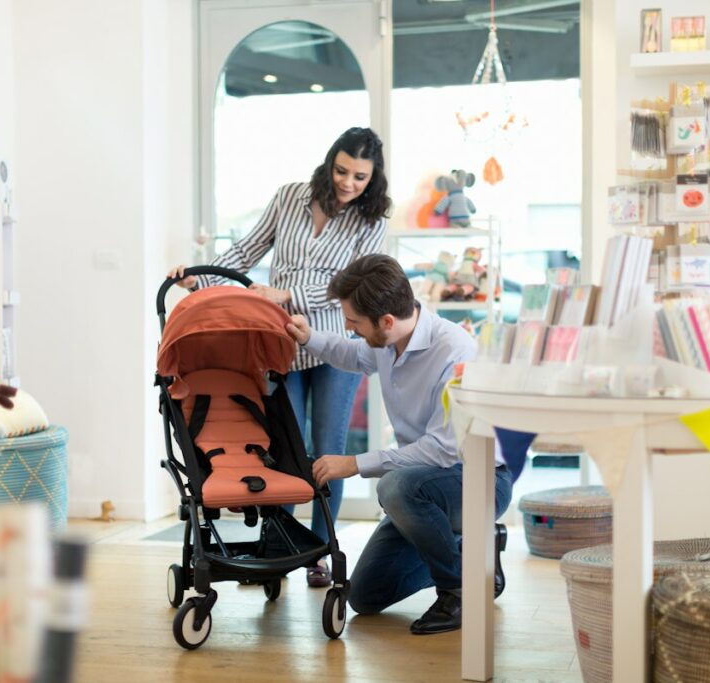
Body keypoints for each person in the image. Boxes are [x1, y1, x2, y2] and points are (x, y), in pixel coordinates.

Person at [168, 127, 390, 588]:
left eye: (361, 177)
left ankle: (318, 553)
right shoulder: (291, 197)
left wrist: (288, 292)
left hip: (331, 346)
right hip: (278, 343)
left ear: (373, 178)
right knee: (279, 446)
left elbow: (353, 289)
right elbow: (248, 249)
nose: (349, 183)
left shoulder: (373, 222)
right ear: (331, 164)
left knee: (327, 451)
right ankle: (278, 545)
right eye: (343, 171)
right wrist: (201, 279)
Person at [284, 254, 513, 635]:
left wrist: (354, 463)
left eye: (354, 323)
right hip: (424, 486)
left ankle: (458, 591)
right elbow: (353, 354)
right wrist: (309, 338)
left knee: (394, 486)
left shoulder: (455, 351)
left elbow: (441, 450)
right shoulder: (386, 340)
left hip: (480, 480)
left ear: (386, 322)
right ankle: (476, 555)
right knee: (366, 597)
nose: (349, 328)